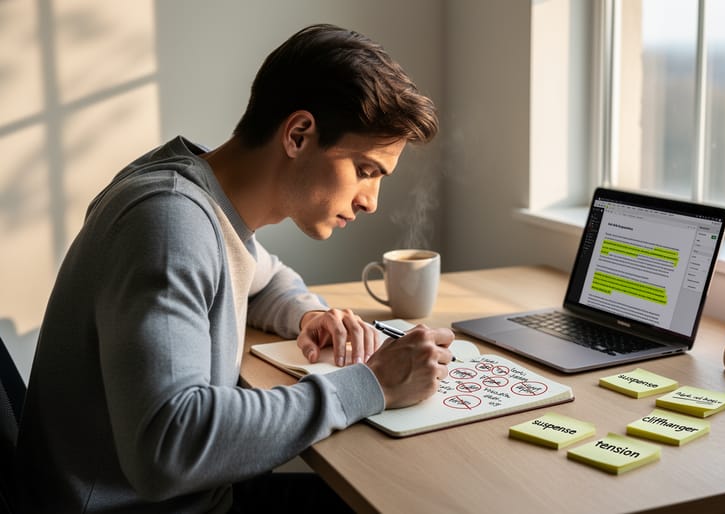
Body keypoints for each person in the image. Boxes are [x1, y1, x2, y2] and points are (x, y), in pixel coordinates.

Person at [14, 23, 453, 513]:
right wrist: (371, 385)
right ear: (299, 135)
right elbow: (170, 444)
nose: (371, 201)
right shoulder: (170, 222)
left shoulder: (200, 197)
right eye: (366, 171)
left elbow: (265, 279)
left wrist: (308, 315)